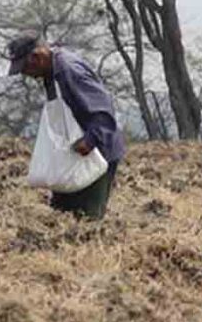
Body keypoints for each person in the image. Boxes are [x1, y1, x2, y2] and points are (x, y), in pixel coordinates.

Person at [8, 33, 126, 220]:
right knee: (61, 214)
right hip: (74, 153)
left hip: (97, 153)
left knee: (86, 218)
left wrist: (90, 140)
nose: (26, 74)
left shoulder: (68, 71)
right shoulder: (51, 72)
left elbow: (103, 109)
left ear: (37, 57)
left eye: (25, 68)